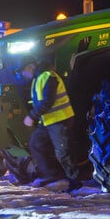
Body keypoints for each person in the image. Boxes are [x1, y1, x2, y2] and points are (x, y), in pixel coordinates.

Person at [20, 60, 82, 192]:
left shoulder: (48, 76)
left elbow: (48, 101)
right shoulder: (38, 79)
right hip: (48, 121)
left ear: (31, 66)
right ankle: (52, 176)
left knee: (63, 152)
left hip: (60, 119)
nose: (23, 74)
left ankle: (74, 181)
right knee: (35, 144)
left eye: (24, 70)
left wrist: (32, 116)